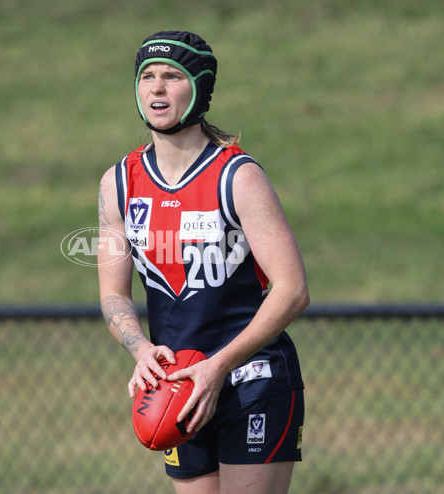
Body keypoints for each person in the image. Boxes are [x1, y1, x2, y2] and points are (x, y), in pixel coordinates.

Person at [97, 30, 309, 494]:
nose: (156, 87)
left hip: (251, 383)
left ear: (199, 88)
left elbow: (292, 290)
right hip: (177, 390)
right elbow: (113, 294)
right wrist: (140, 351)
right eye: (147, 76)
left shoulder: (238, 176)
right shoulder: (120, 184)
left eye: (172, 76)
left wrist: (219, 366)